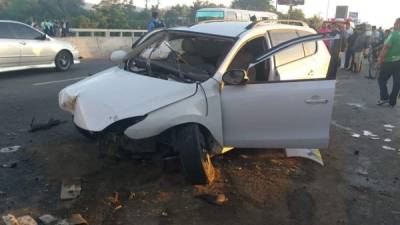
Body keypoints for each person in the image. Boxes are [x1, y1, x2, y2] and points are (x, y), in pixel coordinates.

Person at [377, 18, 400, 107]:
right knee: (397, 82)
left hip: (389, 62)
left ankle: (384, 98)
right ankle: (392, 101)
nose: (394, 25)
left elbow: (386, 47)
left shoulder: (393, 34)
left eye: (395, 23)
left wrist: (379, 60)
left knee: (381, 79)